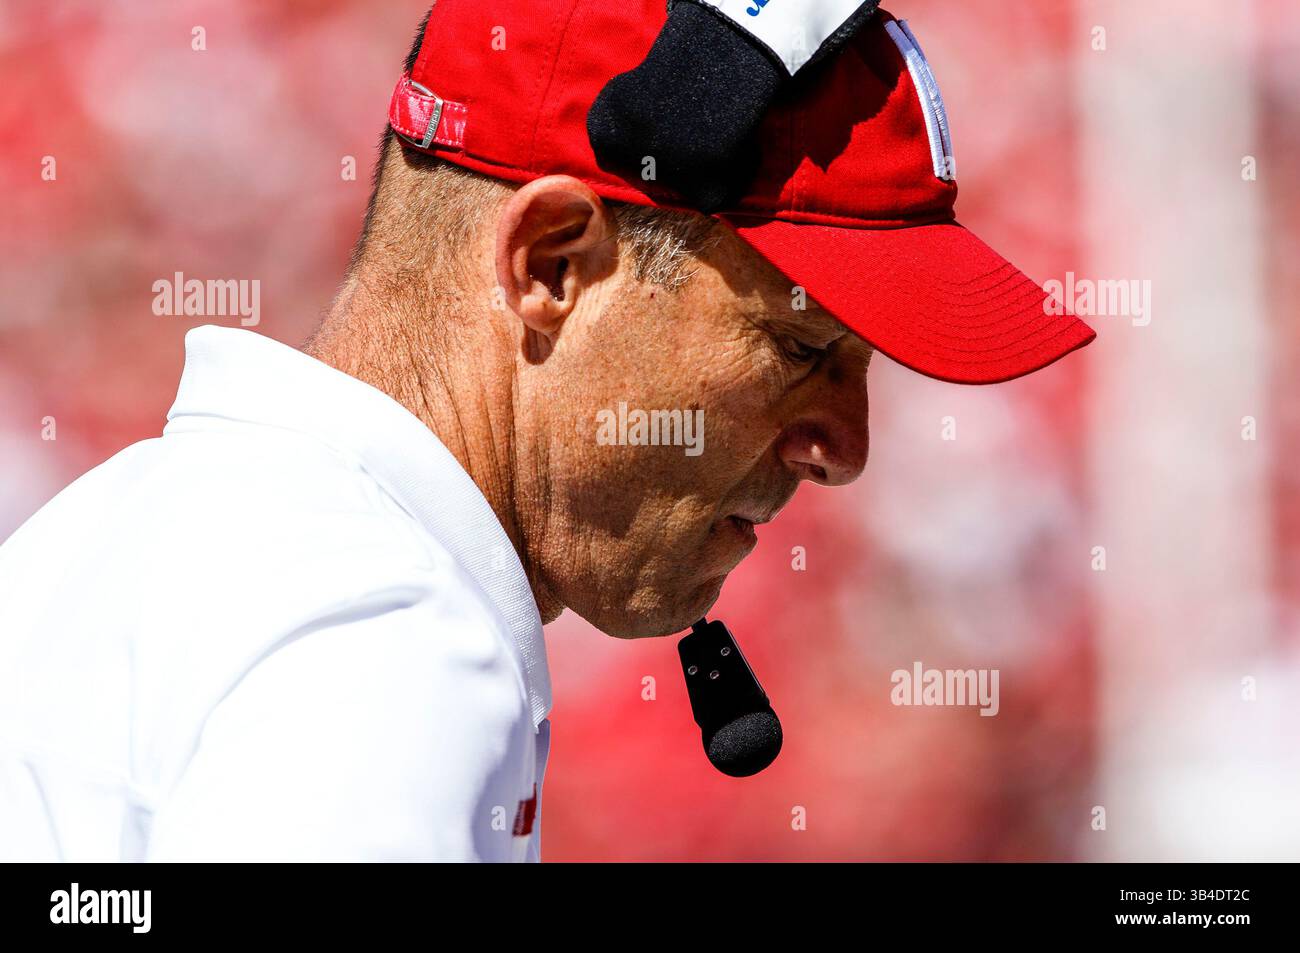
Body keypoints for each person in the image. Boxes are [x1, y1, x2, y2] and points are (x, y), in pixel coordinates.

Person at [0, 1, 1094, 861]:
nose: (843, 448)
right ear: (553, 264)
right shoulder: (385, 626)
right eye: (802, 348)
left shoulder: (97, 535)